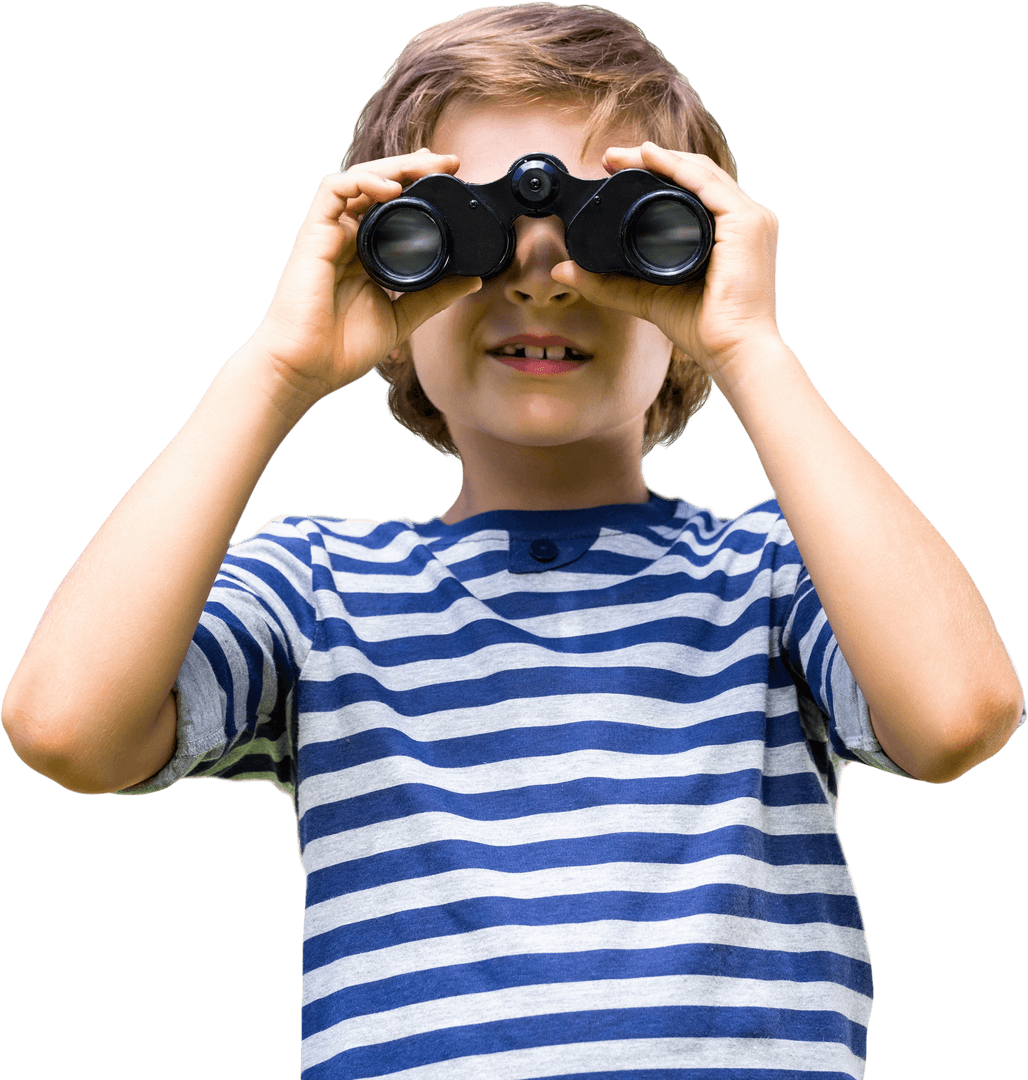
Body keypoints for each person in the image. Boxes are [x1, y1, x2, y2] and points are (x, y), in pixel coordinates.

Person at [2, 4, 1023, 1078]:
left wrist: (749, 346)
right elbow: (68, 729)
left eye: (613, 227)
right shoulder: (318, 592)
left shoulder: (773, 574)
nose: (543, 275)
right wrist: (274, 370)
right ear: (383, 260)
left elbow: (957, 716)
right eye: (465, 230)